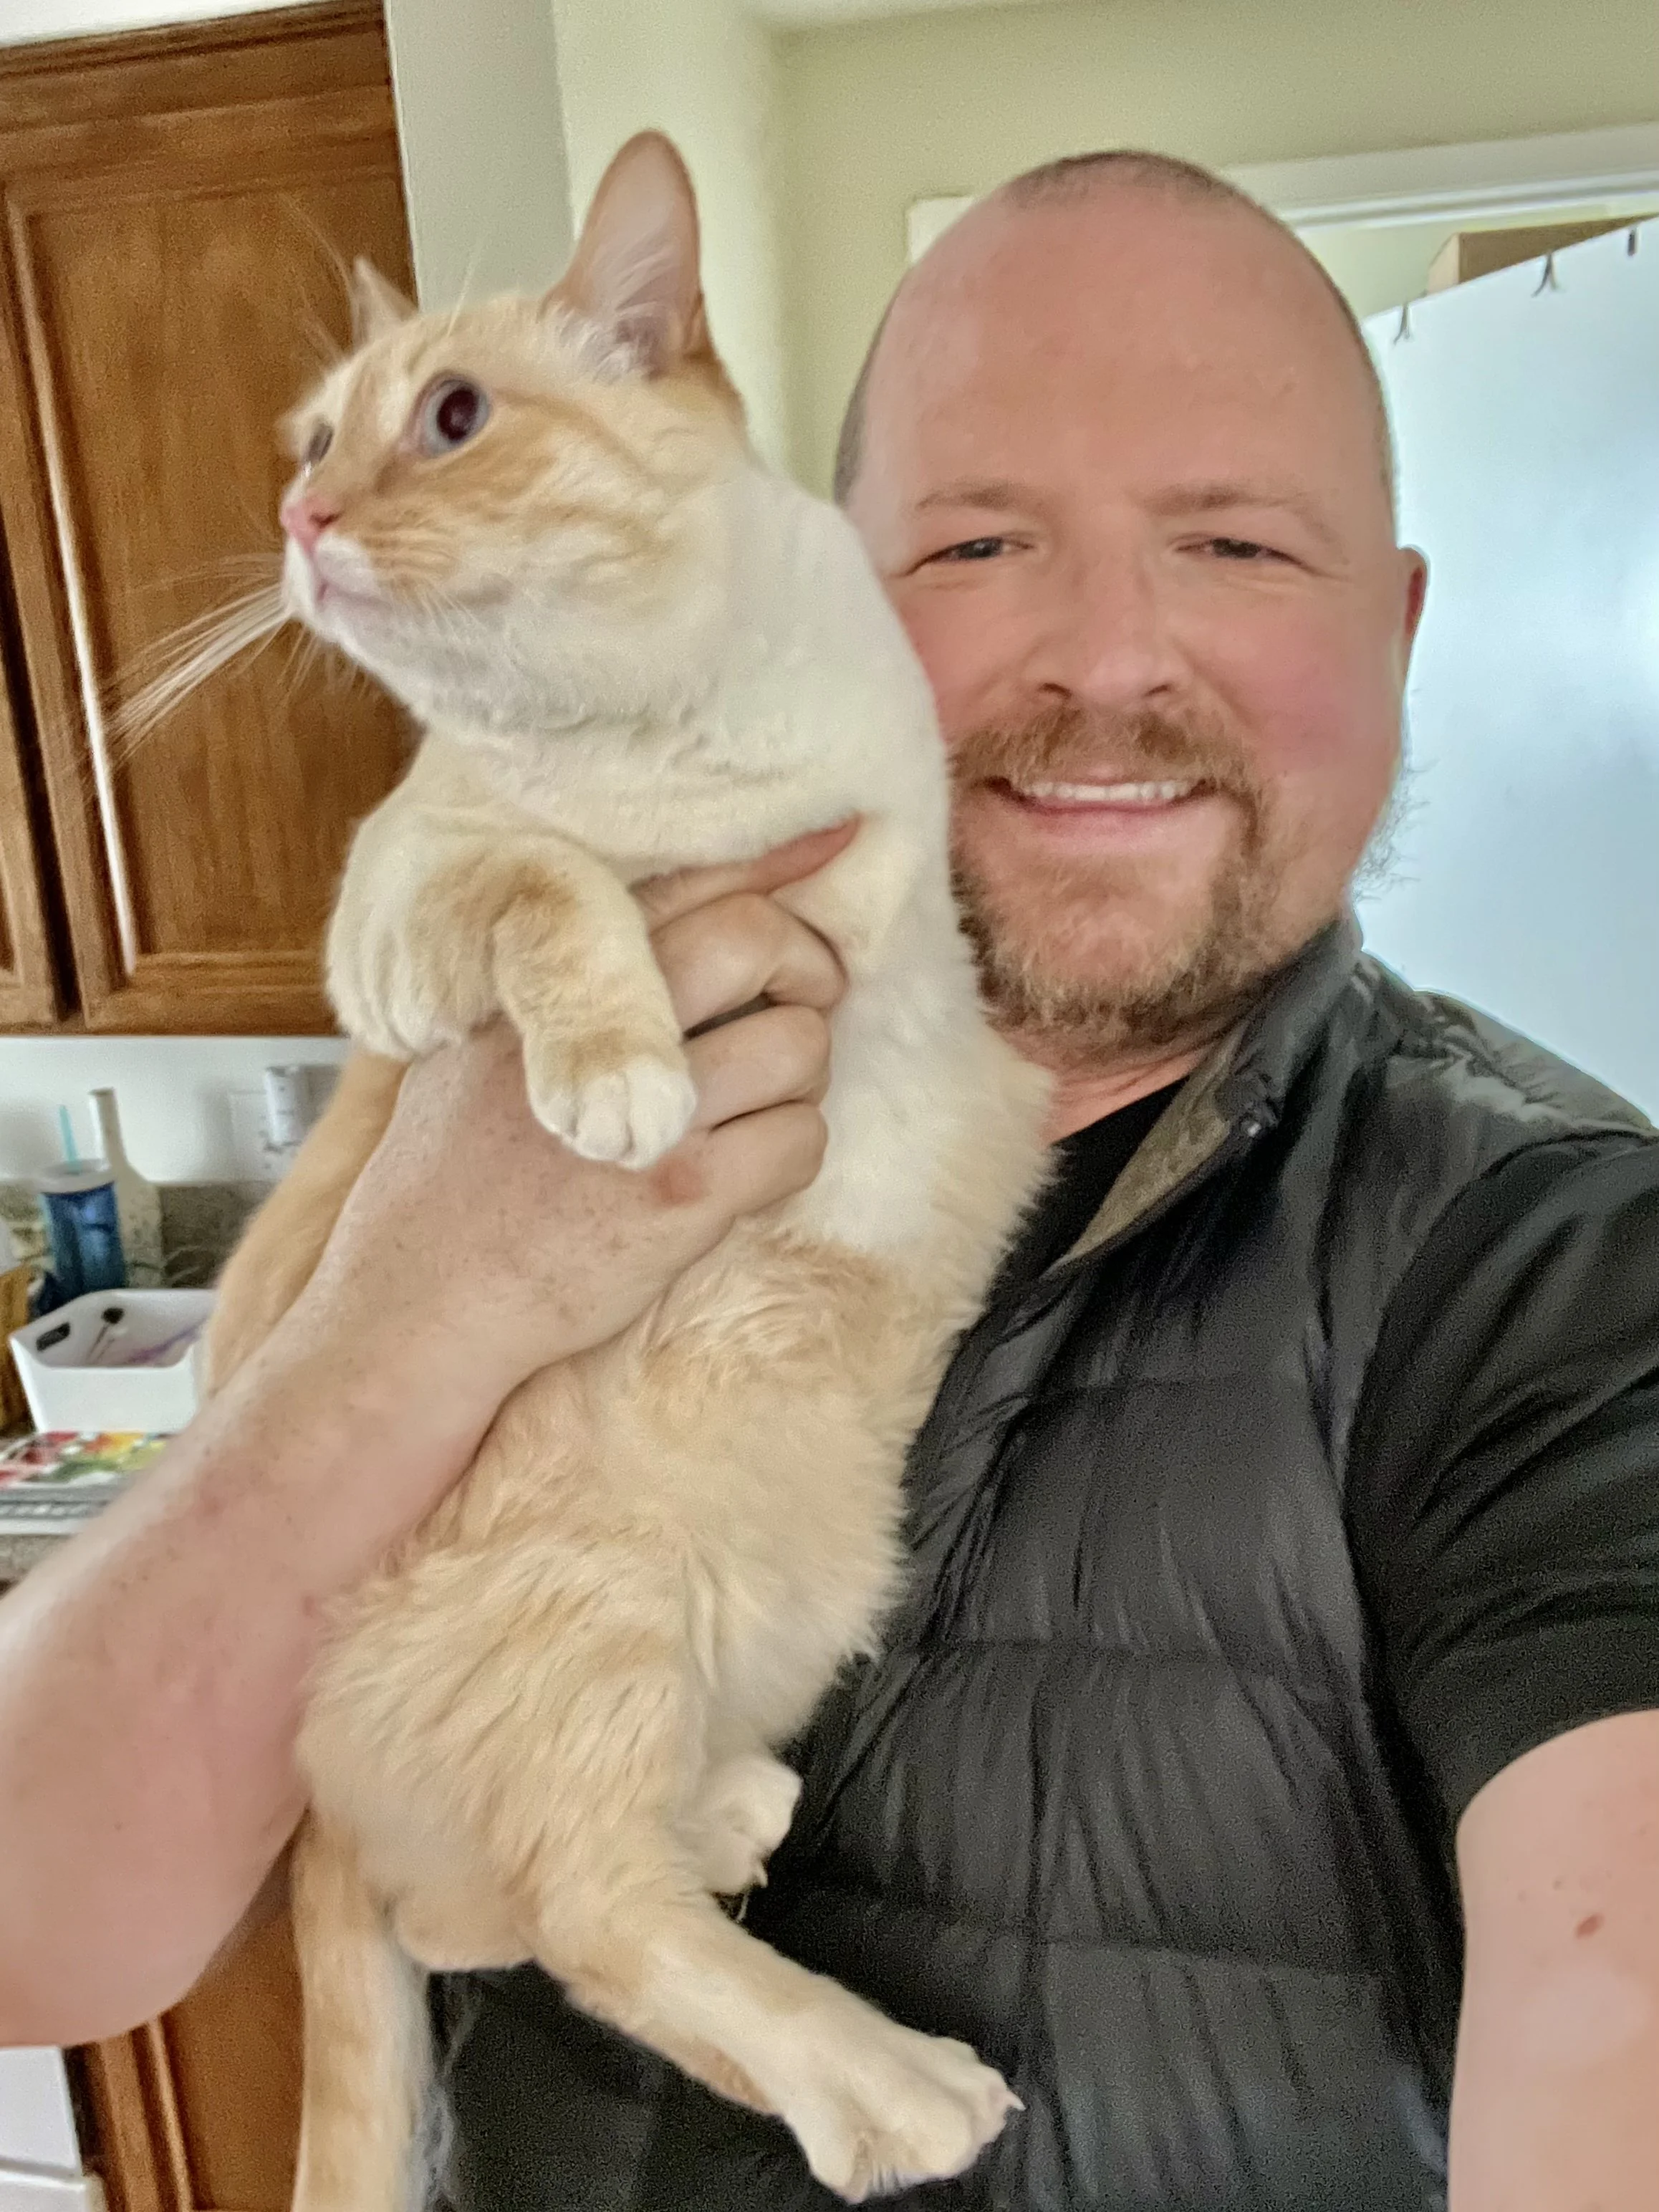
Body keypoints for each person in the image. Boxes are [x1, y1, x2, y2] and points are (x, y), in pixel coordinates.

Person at [4, 148, 1658, 2212]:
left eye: (1236, 544)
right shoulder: (520, 1067)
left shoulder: (1563, 1272)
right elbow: (33, 1927)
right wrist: (424, 1303)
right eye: (973, 545)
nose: (1110, 660)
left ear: (1396, 634)